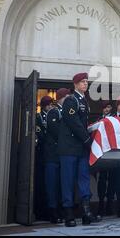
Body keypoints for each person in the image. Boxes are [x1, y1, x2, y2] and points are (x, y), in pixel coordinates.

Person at [58, 73, 101, 227]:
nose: (85, 84)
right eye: (82, 82)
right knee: (68, 180)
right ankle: (69, 214)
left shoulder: (84, 101)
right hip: (69, 147)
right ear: (75, 84)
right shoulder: (71, 100)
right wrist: (87, 139)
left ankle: (86, 212)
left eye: (86, 82)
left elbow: (82, 124)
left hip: (80, 148)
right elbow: (73, 122)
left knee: (84, 178)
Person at [43, 88, 70, 224]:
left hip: (62, 154)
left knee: (61, 184)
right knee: (52, 184)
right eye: (67, 97)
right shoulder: (54, 112)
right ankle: (52, 212)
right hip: (53, 155)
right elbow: (55, 130)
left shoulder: (66, 112)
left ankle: (61, 210)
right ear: (60, 98)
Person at [34, 95, 53, 221]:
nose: (51, 106)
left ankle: (49, 211)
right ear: (44, 105)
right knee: (40, 184)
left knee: (50, 184)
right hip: (41, 153)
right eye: (49, 104)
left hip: (50, 153)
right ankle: (40, 211)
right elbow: (40, 133)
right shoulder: (38, 117)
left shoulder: (53, 115)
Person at [96, 100, 116, 217]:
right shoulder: (99, 119)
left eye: (108, 107)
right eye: (105, 107)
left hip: (112, 152)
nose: (106, 109)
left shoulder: (113, 119)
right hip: (102, 153)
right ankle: (101, 204)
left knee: (112, 179)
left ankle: (110, 204)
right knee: (102, 179)